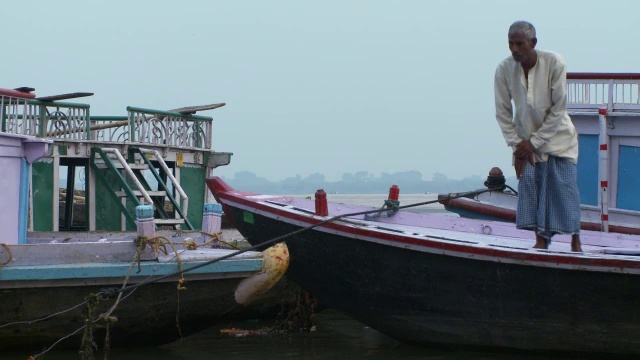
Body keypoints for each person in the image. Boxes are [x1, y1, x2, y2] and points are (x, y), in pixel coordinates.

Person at [494, 20, 582, 252]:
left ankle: (575, 241)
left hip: (558, 138)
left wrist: (534, 142)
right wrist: (517, 145)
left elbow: (558, 108)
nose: (515, 49)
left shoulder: (554, 62)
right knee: (532, 189)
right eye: (511, 44)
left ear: (533, 43)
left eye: (520, 44)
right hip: (524, 141)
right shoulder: (504, 69)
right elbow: (503, 112)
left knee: (564, 189)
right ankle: (541, 241)